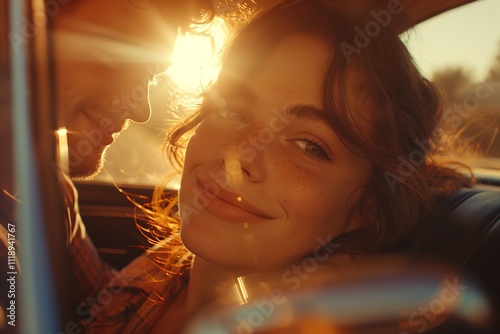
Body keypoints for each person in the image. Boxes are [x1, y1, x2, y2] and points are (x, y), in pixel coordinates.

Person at [78, 0, 472, 332]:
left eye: (310, 146)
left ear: (366, 207)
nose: (240, 157)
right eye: (232, 110)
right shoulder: (159, 267)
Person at [0, 0, 216, 330]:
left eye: (150, 77)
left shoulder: (48, 188)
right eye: (115, 57)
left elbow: (101, 304)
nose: (140, 109)